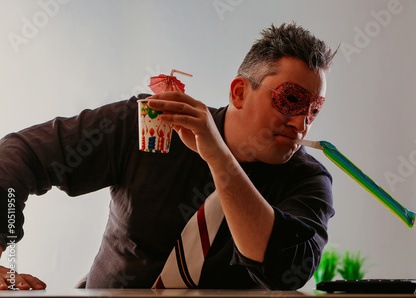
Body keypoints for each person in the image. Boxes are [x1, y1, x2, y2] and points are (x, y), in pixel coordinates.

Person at [0, 22, 336, 290]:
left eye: (313, 110)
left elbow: (288, 270)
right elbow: (21, 155)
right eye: (290, 100)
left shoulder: (307, 180)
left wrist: (218, 156)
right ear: (239, 92)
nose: (300, 124)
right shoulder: (154, 121)